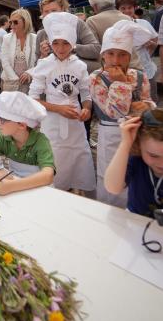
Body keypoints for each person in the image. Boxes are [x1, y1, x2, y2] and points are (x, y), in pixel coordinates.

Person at [90, 20, 155, 207]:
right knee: (112, 176)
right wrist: (121, 84)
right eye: (110, 54)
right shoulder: (96, 79)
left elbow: (147, 101)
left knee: (134, 174)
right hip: (110, 135)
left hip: (136, 135)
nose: (116, 61)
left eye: (122, 55)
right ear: (103, 56)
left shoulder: (139, 76)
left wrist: (147, 106)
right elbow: (115, 110)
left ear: (129, 56)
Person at [29, 12, 96, 193]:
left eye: (65, 43)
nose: (60, 48)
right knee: (55, 156)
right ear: (50, 43)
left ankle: (78, 188)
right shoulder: (43, 65)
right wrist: (58, 108)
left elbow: (86, 93)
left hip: (75, 121)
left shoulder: (80, 66)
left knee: (78, 155)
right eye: (56, 43)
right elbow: (33, 98)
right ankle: (56, 191)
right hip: (52, 122)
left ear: (73, 43)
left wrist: (87, 109)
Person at [0, 92, 55, 195]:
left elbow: (48, 175)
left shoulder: (40, 141)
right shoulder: (3, 137)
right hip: (15, 188)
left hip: (39, 190)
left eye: (3, 120)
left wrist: (11, 186)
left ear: (22, 125)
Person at [105, 110, 163, 217]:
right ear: (139, 145)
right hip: (136, 221)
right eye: (154, 156)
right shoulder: (137, 160)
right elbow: (112, 187)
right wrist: (125, 143)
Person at [35, 0, 100, 72]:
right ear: (42, 13)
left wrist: (72, 46)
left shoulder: (77, 24)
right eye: (46, 11)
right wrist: (43, 55)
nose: (50, 14)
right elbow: (36, 68)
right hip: (55, 81)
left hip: (81, 76)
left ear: (63, 9)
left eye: (54, 10)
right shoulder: (42, 34)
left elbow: (96, 50)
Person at [116, 0, 158, 101]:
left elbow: (156, 40)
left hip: (147, 69)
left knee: (152, 100)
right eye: (123, 8)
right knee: (135, 103)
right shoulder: (115, 28)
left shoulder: (143, 23)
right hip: (128, 72)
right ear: (118, 10)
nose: (126, 11)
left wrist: (151, 46)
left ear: (135, 8)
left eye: (129, 8)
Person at [1, 8, 36, 93]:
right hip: (11, 83)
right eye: (10, 22)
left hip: (30, 83)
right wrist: (15, 79)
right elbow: (5, 61)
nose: (12, 25)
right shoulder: (7, 38)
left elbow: (39, 61)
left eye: (15, 22)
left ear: (25, 22)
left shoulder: (35, 38)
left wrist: (30, 73)